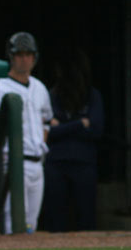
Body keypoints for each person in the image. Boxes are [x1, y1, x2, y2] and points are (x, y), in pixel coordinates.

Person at [0, 32, 52, 234]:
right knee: (13, 224)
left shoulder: (40, 88)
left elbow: (47, 122)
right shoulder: (0, 87)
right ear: (11, 56)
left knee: (31, 224)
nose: (24, 58)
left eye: (28, 54)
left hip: (38, 163)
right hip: (12, 163)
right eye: (19, 54)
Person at [43, 48, 103, 232]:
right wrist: (79, 124)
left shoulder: (92, 95)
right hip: (56, 163)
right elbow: (47, 132)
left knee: (86, 218)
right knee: (55, 219)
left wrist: (62, 126)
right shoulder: (52, 94)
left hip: (84, 163)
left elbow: (96, 131)